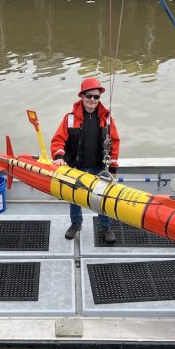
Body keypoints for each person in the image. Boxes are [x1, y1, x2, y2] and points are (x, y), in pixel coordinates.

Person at [51, 77, 120, 245]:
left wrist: (112, 168)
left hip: (99, 167)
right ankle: (76, 223)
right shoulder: (69, 118)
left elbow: (115, 143)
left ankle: (105, 226)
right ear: (82, 96)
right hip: (76, 167)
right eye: (89, 96)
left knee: (102, 198)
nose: (92, 100)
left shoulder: (107, 119)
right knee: (74, 197)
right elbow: (58, 140)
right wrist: (59, 157)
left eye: (96, 97)